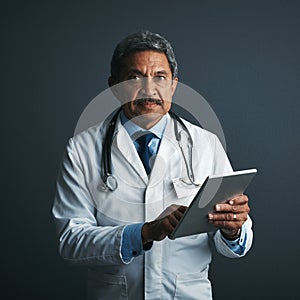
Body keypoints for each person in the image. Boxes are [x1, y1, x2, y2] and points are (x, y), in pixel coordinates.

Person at [52, 30, 253, 300]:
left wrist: (233, 229)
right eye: (135, 77)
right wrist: (144, 233)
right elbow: (71, 243)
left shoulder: (206, 144)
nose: (149, 90)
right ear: (114, 86)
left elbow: (233, 245)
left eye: (160, 77)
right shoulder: (82, 150)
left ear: (173, 85)